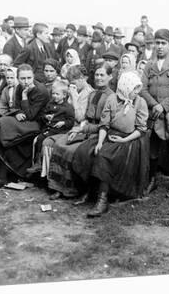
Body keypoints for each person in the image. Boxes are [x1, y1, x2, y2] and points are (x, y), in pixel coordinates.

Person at [71, 71, 149, 217]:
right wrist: (100, 141)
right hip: (109, 134)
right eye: (134, 89)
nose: (136, 92)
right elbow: (104, 124)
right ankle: (90, 191)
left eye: (138, 89)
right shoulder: (113, 99)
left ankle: (103, 200)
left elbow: (141, 129)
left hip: (129, 139)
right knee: (86, 151)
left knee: (104, 156)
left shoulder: (140, 102)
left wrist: (124, 140)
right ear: (125, 87)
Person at [45, 63, 114, 201]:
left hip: (100, 132)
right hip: (86, 128)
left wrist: (82, 128)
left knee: (71, 150)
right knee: (60, 144)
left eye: (102, 75)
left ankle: (73, 189)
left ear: (110, 77)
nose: (99, 78)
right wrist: (78, 128)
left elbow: (105, 124)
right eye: (97, 75)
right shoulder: (93, 93)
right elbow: (84, 118)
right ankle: (59, 187)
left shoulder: (111, 96)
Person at [0, 64, 50, 189]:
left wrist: (25, 97)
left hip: (37, 123)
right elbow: (15, 106)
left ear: (33, 77)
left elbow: (32, 115)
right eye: (22, 78)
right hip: (23, 120)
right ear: (18, 78)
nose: (26, 82)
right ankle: (0, 173)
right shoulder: (19, 87)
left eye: (29, 78)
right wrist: (18, 112)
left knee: (2, 123)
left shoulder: (41, 91)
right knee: (1, 124)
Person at [140, 29, 169, 199]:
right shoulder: (149, 65)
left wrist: (164, 106)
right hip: (154, 115)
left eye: (163, 43)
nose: (159, 46)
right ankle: (152, 181)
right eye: (157, 43)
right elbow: (142, 89)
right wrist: (155, 106)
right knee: (153, 150)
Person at [27, 80, 75, 174]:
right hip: (49, 128)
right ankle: (36, 162)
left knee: (41, 140)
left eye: (57, 94)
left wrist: (63, 123)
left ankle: (39, 163)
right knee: (35, 138)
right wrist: (46, 116)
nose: (54, 96)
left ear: (64, 95)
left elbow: (71, 121)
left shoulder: (68, 107)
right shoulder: (50, 104)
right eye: (53, 94)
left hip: (60, 131)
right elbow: (43, 115)